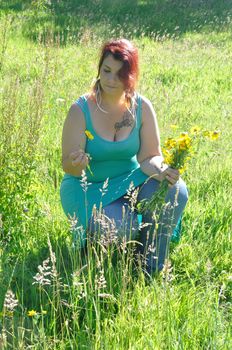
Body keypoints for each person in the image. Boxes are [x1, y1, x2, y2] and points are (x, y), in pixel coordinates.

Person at [60, 38, 188, 275]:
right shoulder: (80, 110)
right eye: (106, 70)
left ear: (131, 76)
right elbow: (68, 167)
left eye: (119, 74)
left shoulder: (141, 106)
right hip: (89, 188)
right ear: (99, 68)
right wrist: (77, 162)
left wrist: (161, 169)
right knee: (120, 227)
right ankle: (92, 246)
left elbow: (150, 156)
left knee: (175, 190)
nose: (110, 79)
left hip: (131, 179)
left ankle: (150, 265)